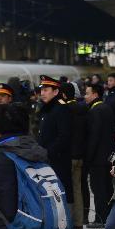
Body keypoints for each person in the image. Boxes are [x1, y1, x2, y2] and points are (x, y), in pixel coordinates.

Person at [36, 75, 72, 205]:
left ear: (56, 92)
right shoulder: (48, 108)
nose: (42, 93)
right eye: (42, 90)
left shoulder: (60, 108)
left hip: (57, 159)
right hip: (47, 159)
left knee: (60, 193)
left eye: (46, 90)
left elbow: (64, 136)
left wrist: (48, 152)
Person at [84, 83, 115, 228]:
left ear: (95, 94)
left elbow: (93, 137)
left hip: (97, 158)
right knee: (107, 188)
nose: (85, 96)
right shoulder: (107, 108)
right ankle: (108, 216)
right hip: (108, 156)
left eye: (87, 93)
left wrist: (88, 157)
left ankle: (100, 218)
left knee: (98, 189)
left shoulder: (95, 111)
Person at [62, 83, 88, 229]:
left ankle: (68, 221)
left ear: (64, 95)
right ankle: (79, 222)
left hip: (68, 155)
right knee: (77, 188)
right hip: (80, 154)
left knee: (66, 188)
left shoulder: (65, 110)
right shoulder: (84, 109)